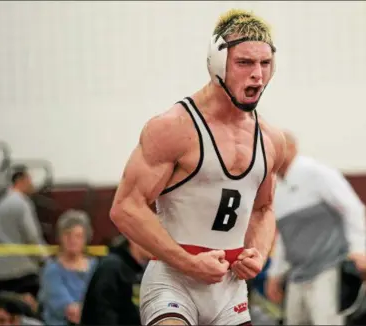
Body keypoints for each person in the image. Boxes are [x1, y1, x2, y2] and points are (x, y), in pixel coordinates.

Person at [109, 9, 286, 326]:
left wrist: (258, 252)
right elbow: (126, 207)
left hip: (230, 289)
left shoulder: (271, 138)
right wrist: (188, 263)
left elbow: (264, 209)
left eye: (265, 63)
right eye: (244, 62)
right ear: (218, 64)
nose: (257, 74)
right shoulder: (174, 127)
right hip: (174, 283)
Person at [264, 130, 366, 325]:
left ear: (291, 148)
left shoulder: (316, 172)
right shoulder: (275, 187)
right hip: (297, 274)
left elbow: (352, 208)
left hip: (327, 269)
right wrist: (275, 274)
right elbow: (284, 236)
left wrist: (359, 249)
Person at [0, 165, 48, 300]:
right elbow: (32, 236)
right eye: (30, 179)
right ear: (21, 180)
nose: (32, 184)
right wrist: (45, 259)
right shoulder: (22, 203)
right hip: (20, 271)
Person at [39, 210, 97, 325]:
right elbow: (70, 311)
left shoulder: (96, 267)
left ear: (86, 238)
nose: (73, 240)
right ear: (60, 237)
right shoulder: (52, 270)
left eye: (78, 236)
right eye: (68, 235)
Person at [80, 235, 152, 325]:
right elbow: (104, 313)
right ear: (132, 238)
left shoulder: (139, 269)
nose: (155, 243)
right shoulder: (111, 267)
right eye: (151, 237)